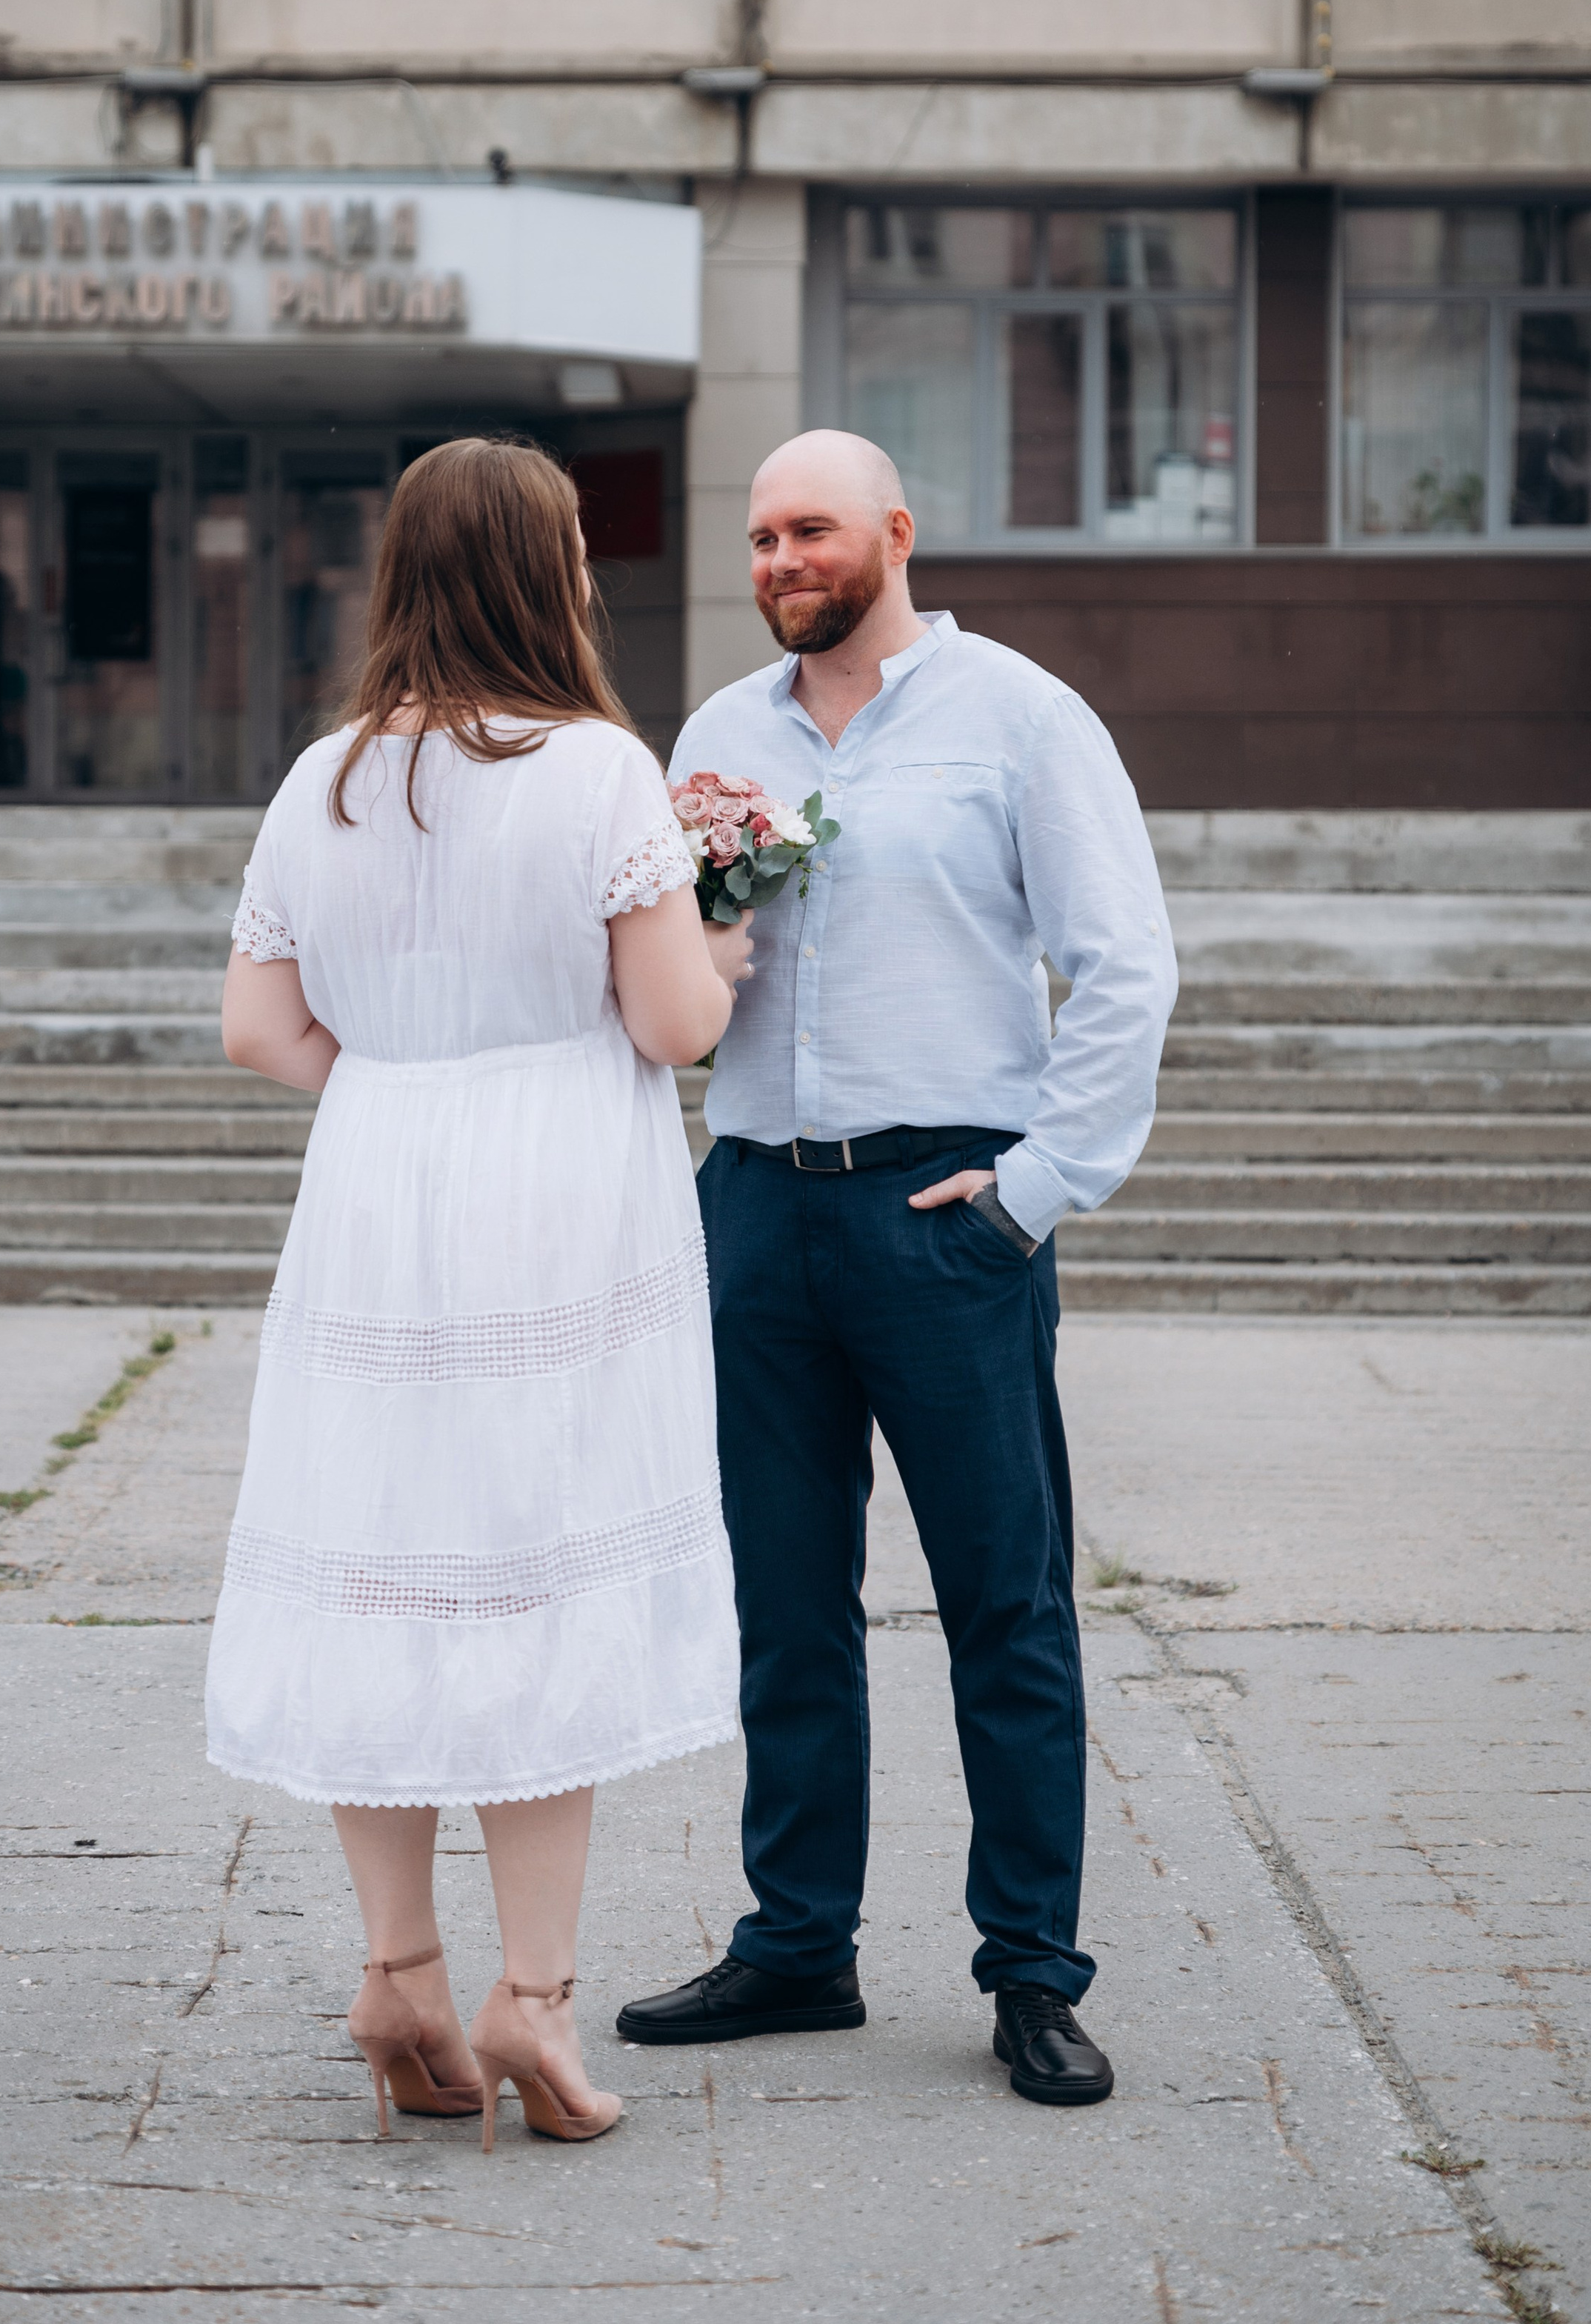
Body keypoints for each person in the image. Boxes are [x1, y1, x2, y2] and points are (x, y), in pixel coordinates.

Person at [616, 430, 1177, 2107]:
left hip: (945, 1215)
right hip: (757, 1203)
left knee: (1003, 1604)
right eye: (759, 535)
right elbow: (675, 969)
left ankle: (1030, 1970)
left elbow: (1123, 963)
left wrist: (1034, 1190)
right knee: (783, 1606)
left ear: (893, 533)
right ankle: (797, 1941)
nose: (779, 557)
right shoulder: (716, 735)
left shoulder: (1018, 714)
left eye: (810, 528)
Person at [206, 437, 749, 2152]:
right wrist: (722, 948)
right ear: (543, 572)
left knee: (381, 1557)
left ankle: (396, 1968)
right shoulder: (594, 769)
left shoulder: (323, 777)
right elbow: (672, 1026)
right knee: (534, 1570)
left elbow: (259, 1027)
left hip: (379, 1188)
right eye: (574, 548)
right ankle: (533, 1996)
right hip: (559, 1199)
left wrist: (404, 1081)